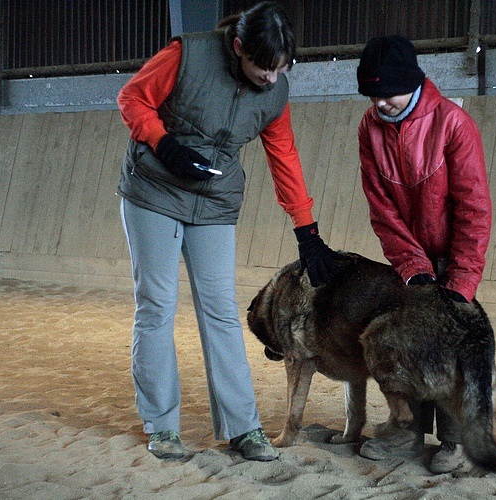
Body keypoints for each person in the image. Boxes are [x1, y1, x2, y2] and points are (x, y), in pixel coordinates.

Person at [116, 1, 343, 462]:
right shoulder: (187, 56)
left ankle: (243, 429)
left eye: (282, 69)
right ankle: (162, 426)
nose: (272, 79)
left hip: (215, 202)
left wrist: (307, 228)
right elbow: (132, 99)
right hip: (153, 192)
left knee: (220, 308)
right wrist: (164, 143)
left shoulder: (274, 93)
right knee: (157, 303)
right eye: (264, 67)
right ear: (238, 48)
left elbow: (284, 156)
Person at [355, 34, 493, 474]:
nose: (380, 103)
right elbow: (382, 207)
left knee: (451, 345)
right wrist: (412, 267)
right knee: (406, 341)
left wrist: (461, 280)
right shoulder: (369, 128)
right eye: (372, 94)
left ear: (412, 82)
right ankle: (407, 432)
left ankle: (455, 441)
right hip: (409, 258)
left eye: (388, 93)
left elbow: (474, 207)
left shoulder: (454, 124)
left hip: (454, 255)